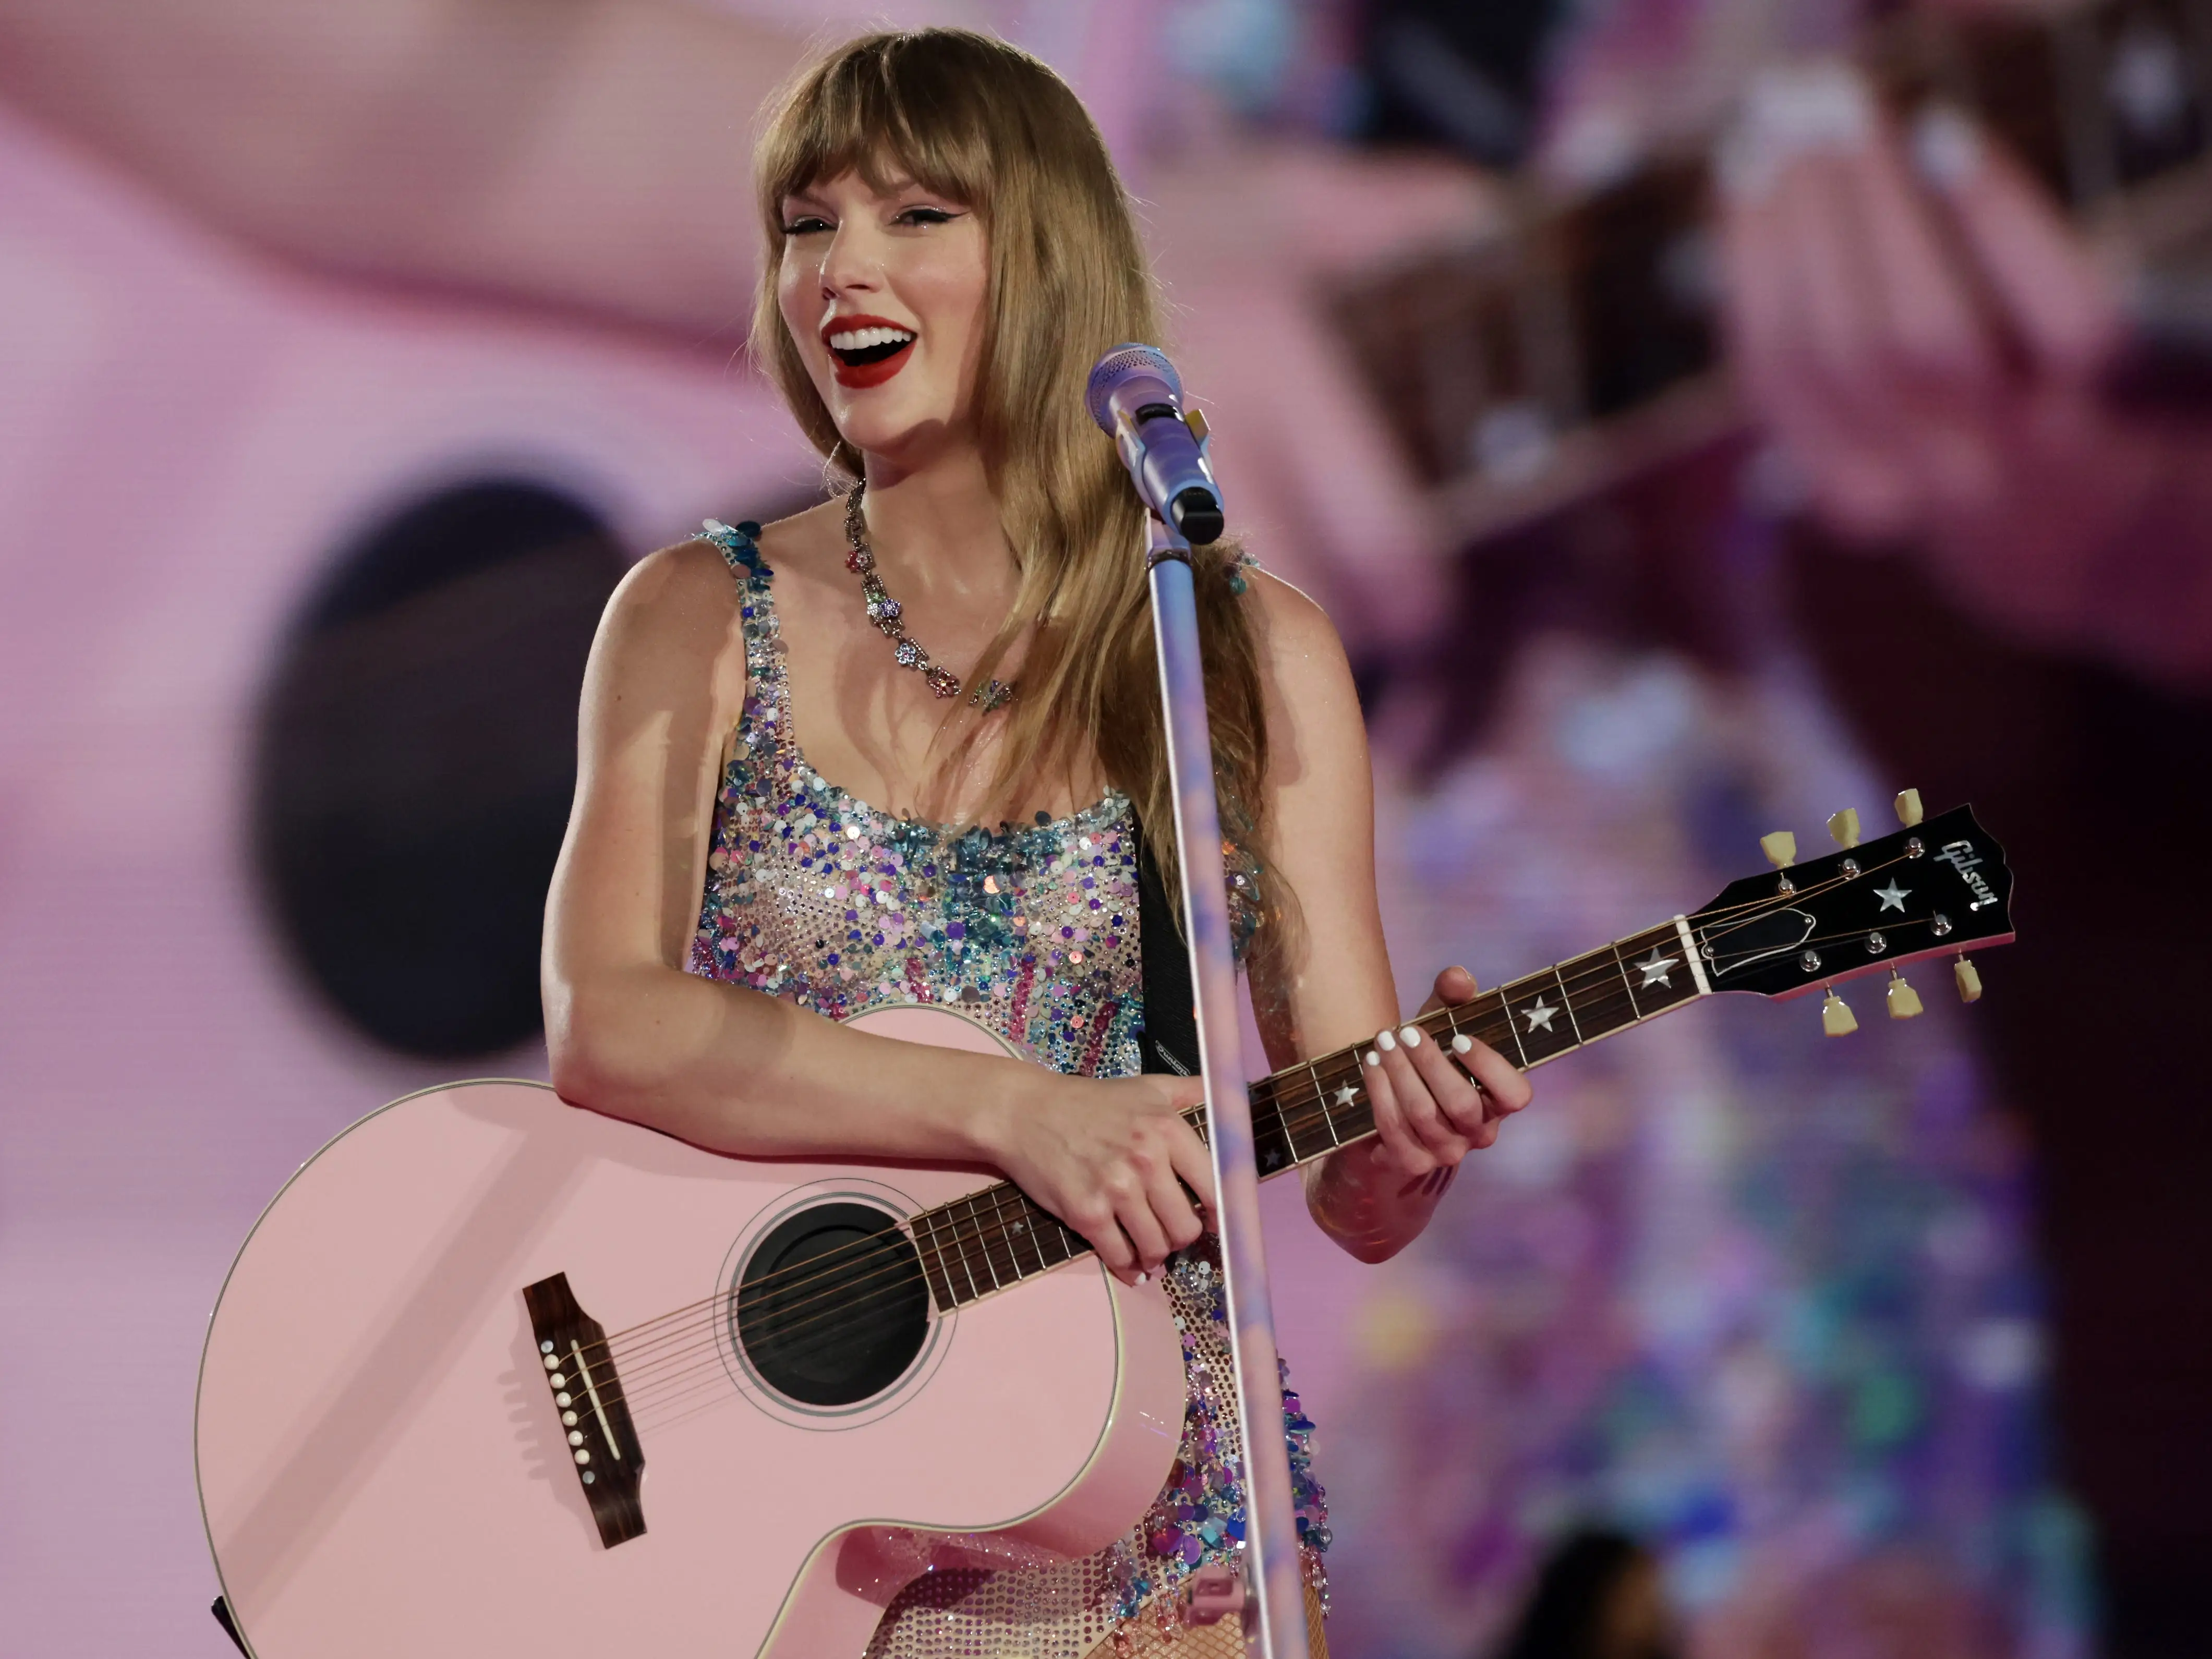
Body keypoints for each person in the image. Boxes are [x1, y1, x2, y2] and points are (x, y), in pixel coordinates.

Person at [540, 27, 1533, 1658]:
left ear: (1051, 258)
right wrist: (1019, 1112)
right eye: (809, 224)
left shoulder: (1246, 652)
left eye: (916, 217)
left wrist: (1406, 1144)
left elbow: (1350, 1173)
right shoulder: (692, 615)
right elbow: (612, 1020)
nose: (842, 267)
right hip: (801, 1540)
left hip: (1150, 1547)